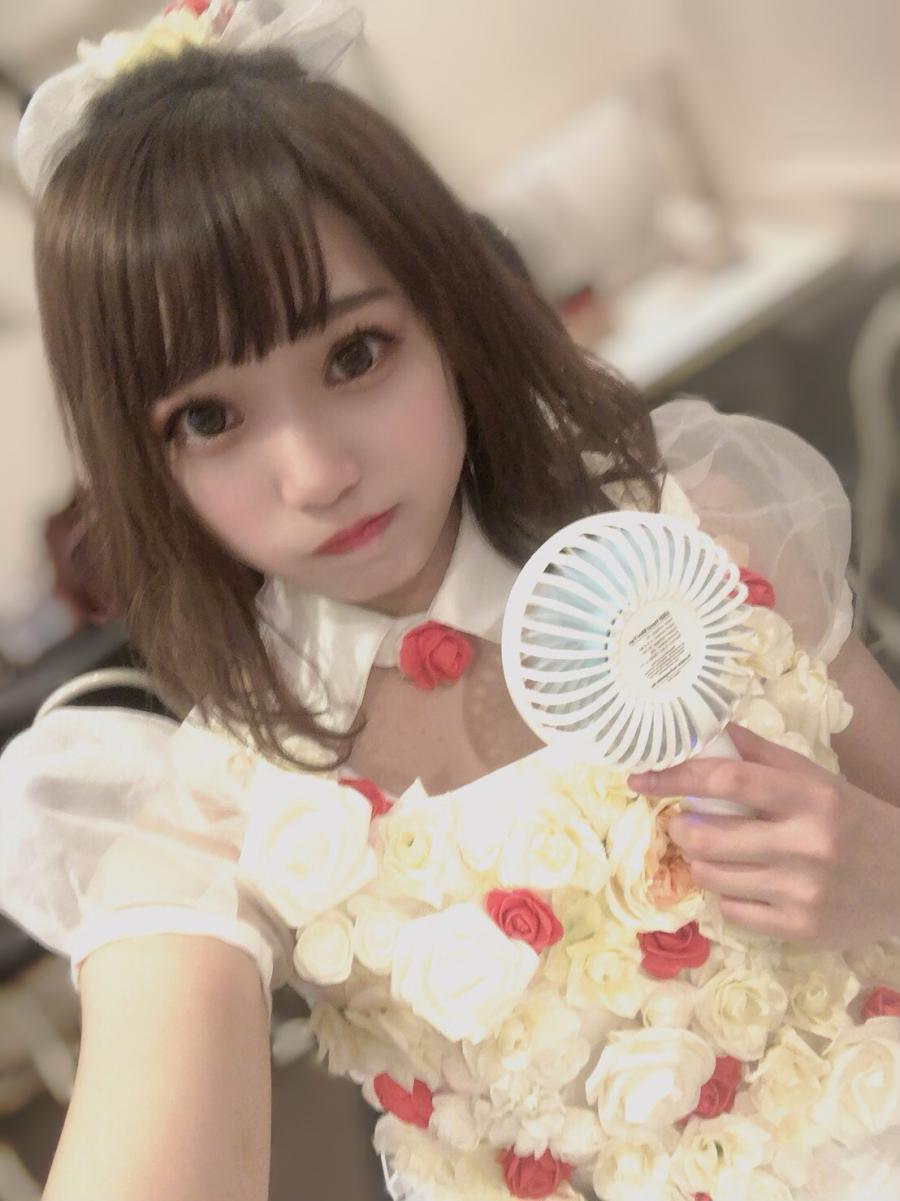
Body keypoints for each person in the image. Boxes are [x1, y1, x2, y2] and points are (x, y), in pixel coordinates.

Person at [2, 3, 900, 1200]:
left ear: (445, 310)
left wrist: (885, 867)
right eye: (209, 418)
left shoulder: (707, 526)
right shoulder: (211, 796)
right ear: (141, 458)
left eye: (355, 354)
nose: (315, 473)